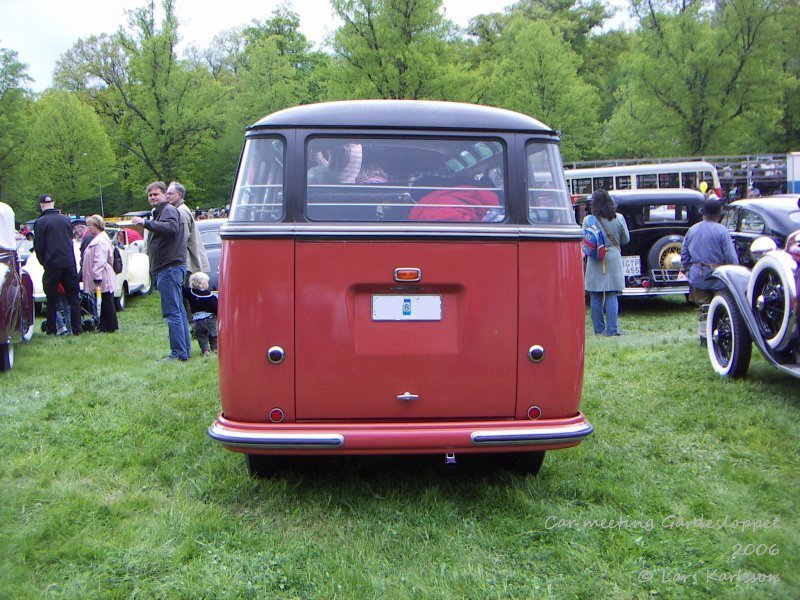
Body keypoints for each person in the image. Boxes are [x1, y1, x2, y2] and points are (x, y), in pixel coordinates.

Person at [131, 182, 190, 361]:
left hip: (170, 268)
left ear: (165, 195)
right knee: (178, 311)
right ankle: (183, 350)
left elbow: (171, 228)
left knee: (172, 312)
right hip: (170, 268)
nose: (152, 198)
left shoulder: (169, 211)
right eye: (150, 195)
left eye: (156, 194)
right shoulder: (163, 212)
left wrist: (146, 223)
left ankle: (178, 353)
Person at [680, 198, 739, 344]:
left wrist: (689, 269)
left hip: (697, 275)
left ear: (703, 214)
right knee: (721, 306)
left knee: (703, 308)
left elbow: (684, 255)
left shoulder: (692, 230)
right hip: (718, 277)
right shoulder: (722, 231)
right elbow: (731, 257)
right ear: (718, 215)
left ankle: (704, 337)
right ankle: (720, 335)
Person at [33, 194, 82, 336]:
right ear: (53, 204)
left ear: (42, 205)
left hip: (52, 263)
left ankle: (52, 328)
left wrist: (44, 262)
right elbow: (69, 240)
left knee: (51, 298)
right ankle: (76, 328)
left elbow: (39, 246)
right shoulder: (66, 220)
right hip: (68, 262)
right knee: (73, 297)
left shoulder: (40, 222)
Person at [583, 189, 630, 336]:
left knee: (595, 295)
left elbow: (586, 240)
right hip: (613, 257)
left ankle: (598, 329)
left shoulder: (588, 220)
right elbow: (626, 239)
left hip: (596, 257)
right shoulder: (619, 218)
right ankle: (612, 330)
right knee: (612, 294)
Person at [81, 215, 119, 333]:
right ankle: (106, 325)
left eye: (90, 226)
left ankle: (109, 326)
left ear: (96, 226)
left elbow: (100, 260)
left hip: (102, 275)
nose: (88, 228)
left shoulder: (100, 241)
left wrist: (97, 276)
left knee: (106, 300)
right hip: (102, 274)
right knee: (105, 300)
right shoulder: (100, 239)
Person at [166, 181, 210, 277]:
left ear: (179, 195)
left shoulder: (181, 212)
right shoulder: (181, 209)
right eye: (167, 193)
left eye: (170, 193)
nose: (167, 196)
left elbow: (182, 238)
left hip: (188, 264)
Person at [183, 271, 218, 356]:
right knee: (213, 335)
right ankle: (214, 349)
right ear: (202, 284)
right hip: (210, 320)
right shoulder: (211, 296)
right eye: (207, 282)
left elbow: (183, 290)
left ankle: (205, 350)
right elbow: (216, 308)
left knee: (201, 336)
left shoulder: (191, 293)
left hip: (198, 321)